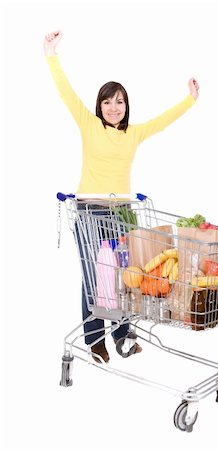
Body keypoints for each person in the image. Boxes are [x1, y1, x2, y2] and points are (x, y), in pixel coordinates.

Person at [44, 30, 199, 364]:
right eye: (107, 101)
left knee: (126, 273)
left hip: (122, 213)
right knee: (94, 274)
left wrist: (190, 100)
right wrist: (51, 53)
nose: (113, 107)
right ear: (99, 106)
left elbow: (163, 121)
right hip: (89, 211)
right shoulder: (89, 125)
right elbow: (66, 92)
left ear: (126, 105)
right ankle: (94, 339)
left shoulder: (133, 133)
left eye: (119, 101)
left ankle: (122, 334)